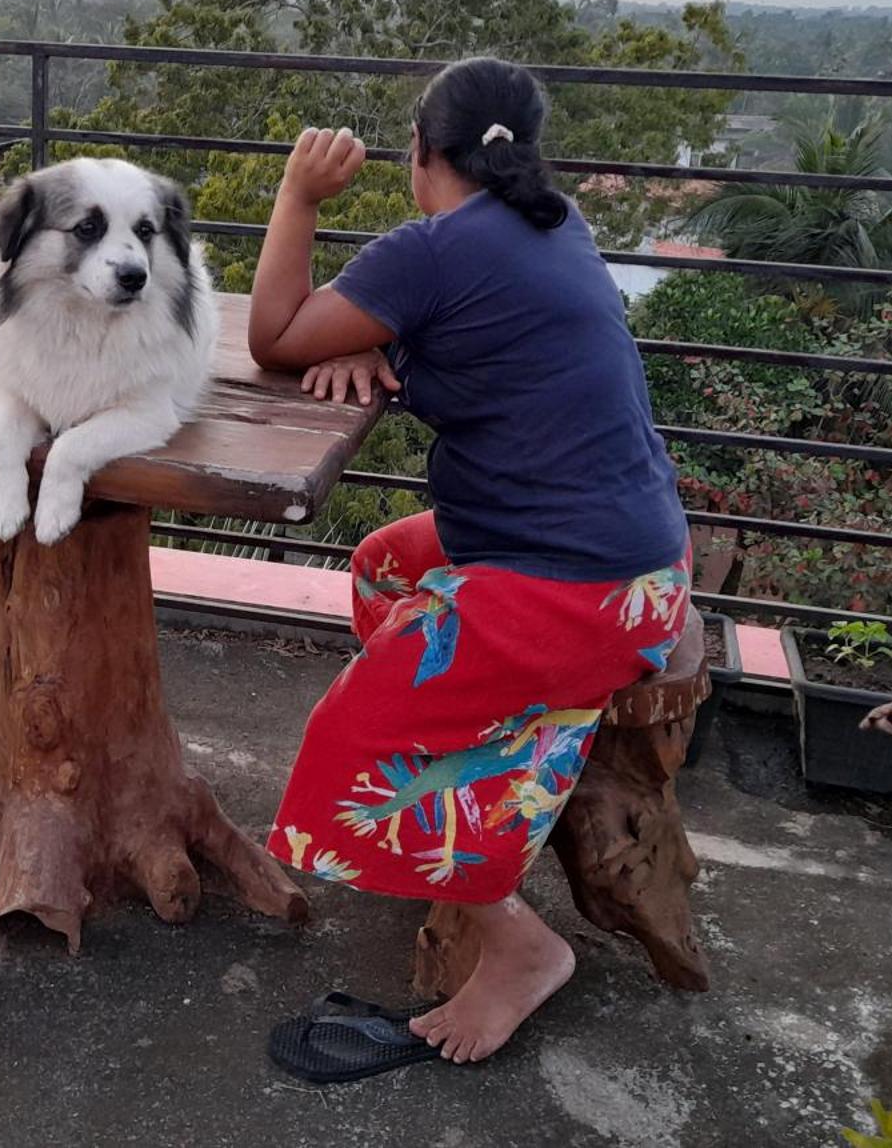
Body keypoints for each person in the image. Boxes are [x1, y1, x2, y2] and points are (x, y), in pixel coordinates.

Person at [248, 57, 692, 1067]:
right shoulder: (553, 221)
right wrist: (386, 348)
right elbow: (496, 341)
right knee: (381, 567)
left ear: (417, 152)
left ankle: (519, 945)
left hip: (574, 586)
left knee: (348, 749)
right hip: (622, 559)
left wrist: (296, 193)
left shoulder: (431, 251)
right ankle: (486, 753)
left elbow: (273, 337)